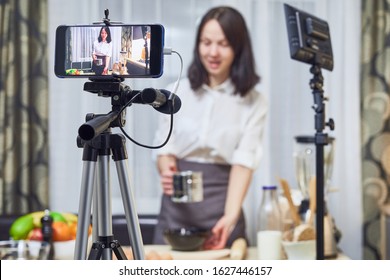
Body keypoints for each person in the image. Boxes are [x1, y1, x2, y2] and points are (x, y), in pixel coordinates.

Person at [152, 6, 267, 249]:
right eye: (206, 42)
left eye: (223, 44)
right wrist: (167, 170)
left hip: (224, 207)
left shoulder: (254, 101)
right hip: (176, 210)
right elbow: (165, 149)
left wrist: (231, 216)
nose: (213, 52)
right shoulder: (175, 91)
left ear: (238, 48)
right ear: (197, 45)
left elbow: (244, 162)